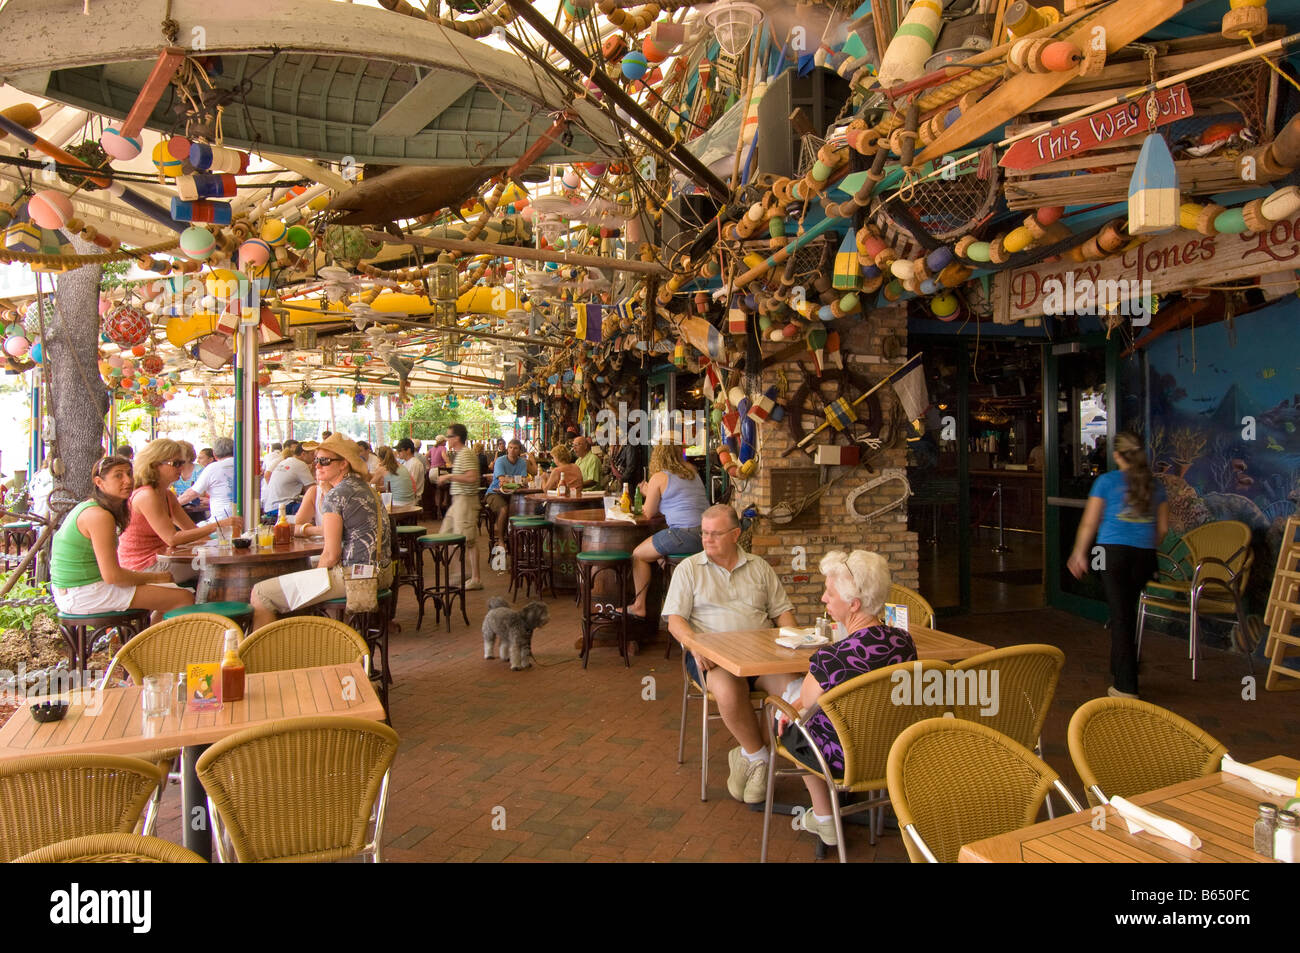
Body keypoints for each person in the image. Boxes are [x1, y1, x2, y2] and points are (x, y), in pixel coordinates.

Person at [776, 550, 918, 847]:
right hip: (894, 748)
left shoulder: (830, 658)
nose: (824, 599)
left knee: (793, 725)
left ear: (854, 605)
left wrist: (786, 710)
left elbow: (807, 702)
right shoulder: (904, 643)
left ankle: (824, 816)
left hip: (843, 759)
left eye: (829, 593)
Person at [662, 504, 798, 804]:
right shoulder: (689, 569)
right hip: (713, 657)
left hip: (762, 656)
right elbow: (675, 621)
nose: (706, 539)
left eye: (715, 534)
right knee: (727, 689)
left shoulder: (759, 567)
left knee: (793, 688)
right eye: (704, 533)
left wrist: (792, 644)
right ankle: (760, 756)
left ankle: (751, 755)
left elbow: (783, 613)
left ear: (735, 534)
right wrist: (696, 646)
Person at [250, 434, 394, 630]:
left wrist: (313, 580)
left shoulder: (337, 494)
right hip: (382, 574)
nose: (317, 465)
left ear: (343, 464)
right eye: (316, 460)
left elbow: (331, 554)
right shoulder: (366, 489)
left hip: (356, 578)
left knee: (261, 593)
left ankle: (267, 657)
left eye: (324, 461)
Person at [1068, 430, 1168, 700]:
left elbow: (1090, 522)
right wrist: (1145, 545)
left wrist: (1079, 553)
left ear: (1116, 455)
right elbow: (1162, 529)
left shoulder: (1105, 482)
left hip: (1109, 554)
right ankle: (1122, 664)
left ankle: (1126, 685)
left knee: (1121, 615)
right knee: (1126, 610)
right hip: (1144, 557)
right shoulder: (1156, 486)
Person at [50, 455, 193, 623]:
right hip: (82, 593)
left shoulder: (94, 507)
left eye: (129, 474)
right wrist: (157, 577)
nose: (127, 480)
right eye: (118, 475)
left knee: (173, 592)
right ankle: (155, 646)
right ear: (99, 482)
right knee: (184, 598)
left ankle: (148, 642)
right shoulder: (99, 516)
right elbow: (113, 576)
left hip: (77, 590)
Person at [117, 438, 244, 585]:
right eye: (176, 463)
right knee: (216, 568)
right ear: (155, 465)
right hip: (143, 568)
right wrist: (218, 525)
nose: (181, 468)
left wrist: (223, 549)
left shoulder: (167, 495)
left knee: (221, 563)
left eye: (182, 463)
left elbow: (192, 531)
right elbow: (172, 538)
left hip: (161, 560)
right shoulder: (147, 495)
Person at [627, 443, 709, 618]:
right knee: (661, 557)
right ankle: (673, 600)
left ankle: (639, 606)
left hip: (684, 534)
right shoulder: (692, 471)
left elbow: (648, 513)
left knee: (638, 555)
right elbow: (676, 501)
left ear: (658, 455)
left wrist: (646, 492)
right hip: (706, 535)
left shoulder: (659, 477)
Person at [434, 423, 483, 590]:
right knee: (444, 536)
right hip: (458, 501)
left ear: (457, 438)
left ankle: (475, 578)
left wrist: (449, 477)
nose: (447, 439)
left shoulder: (467, 454)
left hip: (466, 501)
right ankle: (459, 573)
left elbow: (471, 477)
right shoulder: (460, 454)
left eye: (449, 436)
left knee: (469, 540)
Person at [178, 436, 236, 520]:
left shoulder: (213, 468)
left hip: (222, 519)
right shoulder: (245, 465)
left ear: (214, 455)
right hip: (245, 515)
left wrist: (171, 505)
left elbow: (192, 494)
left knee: (194, 531)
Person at [486, 439, 532, 542]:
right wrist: (516, 480)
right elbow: (502, 480)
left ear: (519, 450)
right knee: (504, 509)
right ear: (507, 449)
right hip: (494, 493)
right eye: (510, 447)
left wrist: (511, 480)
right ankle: (501, 540)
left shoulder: (522, 462)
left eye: (515, 448)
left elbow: (524, 481)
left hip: (513, 494)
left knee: (525, 508)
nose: (512, 450)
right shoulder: (500, 461)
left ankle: (517, 541)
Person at [263, 440, 314, 518]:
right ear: (303, 454)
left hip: (269, 507)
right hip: (282, 508)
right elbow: (312, 489)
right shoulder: (300, 464)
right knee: (315, 508)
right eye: (312, 454)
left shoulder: (286, 461)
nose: (314, 457)